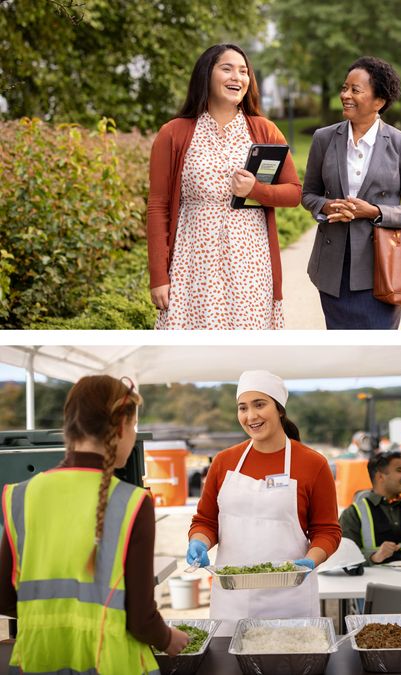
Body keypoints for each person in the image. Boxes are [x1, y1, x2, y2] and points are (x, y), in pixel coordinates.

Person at [0, 376, 190, 672]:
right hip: (111, 663)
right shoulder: (133, 503)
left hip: (39, 660)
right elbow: (140, 619)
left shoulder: (18, 496)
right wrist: (168, 639)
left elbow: (4, 598)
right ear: (121, 427)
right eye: (135, 426)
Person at [147, 44, 301, 329]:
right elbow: (157, 207)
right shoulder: (174, 133)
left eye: (244, 71)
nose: (238, 77)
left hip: (251, 263)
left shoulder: (264, 130)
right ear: (206, 74)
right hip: (192, 262)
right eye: (227, 68)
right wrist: (158, 276)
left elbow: (294, 193)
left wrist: (256, 190)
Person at [185, 370, 341, 634]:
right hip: (231, 601)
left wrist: (311, 560)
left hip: (289, 598)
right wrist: (199, 541)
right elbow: (206, 521)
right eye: (242, 408)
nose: (251, 416)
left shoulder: (313, 464)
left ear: (279, 409)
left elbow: (327, 530)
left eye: (260, 404)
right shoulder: (224, 461)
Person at [301, 56, 401, 329]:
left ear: (379, 102)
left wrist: (373, 212)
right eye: (344, 88)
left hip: (380, 269)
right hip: (332, 269)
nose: (345, 95)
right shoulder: (323, 139)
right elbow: (309, 195)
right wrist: (329, 207)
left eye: (355, 90)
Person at [339, 450, 401, 565]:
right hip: (372, 582)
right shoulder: (353, 514)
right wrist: (373, 557)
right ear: (380, 476)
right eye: (399, 470)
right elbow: (343, 559)